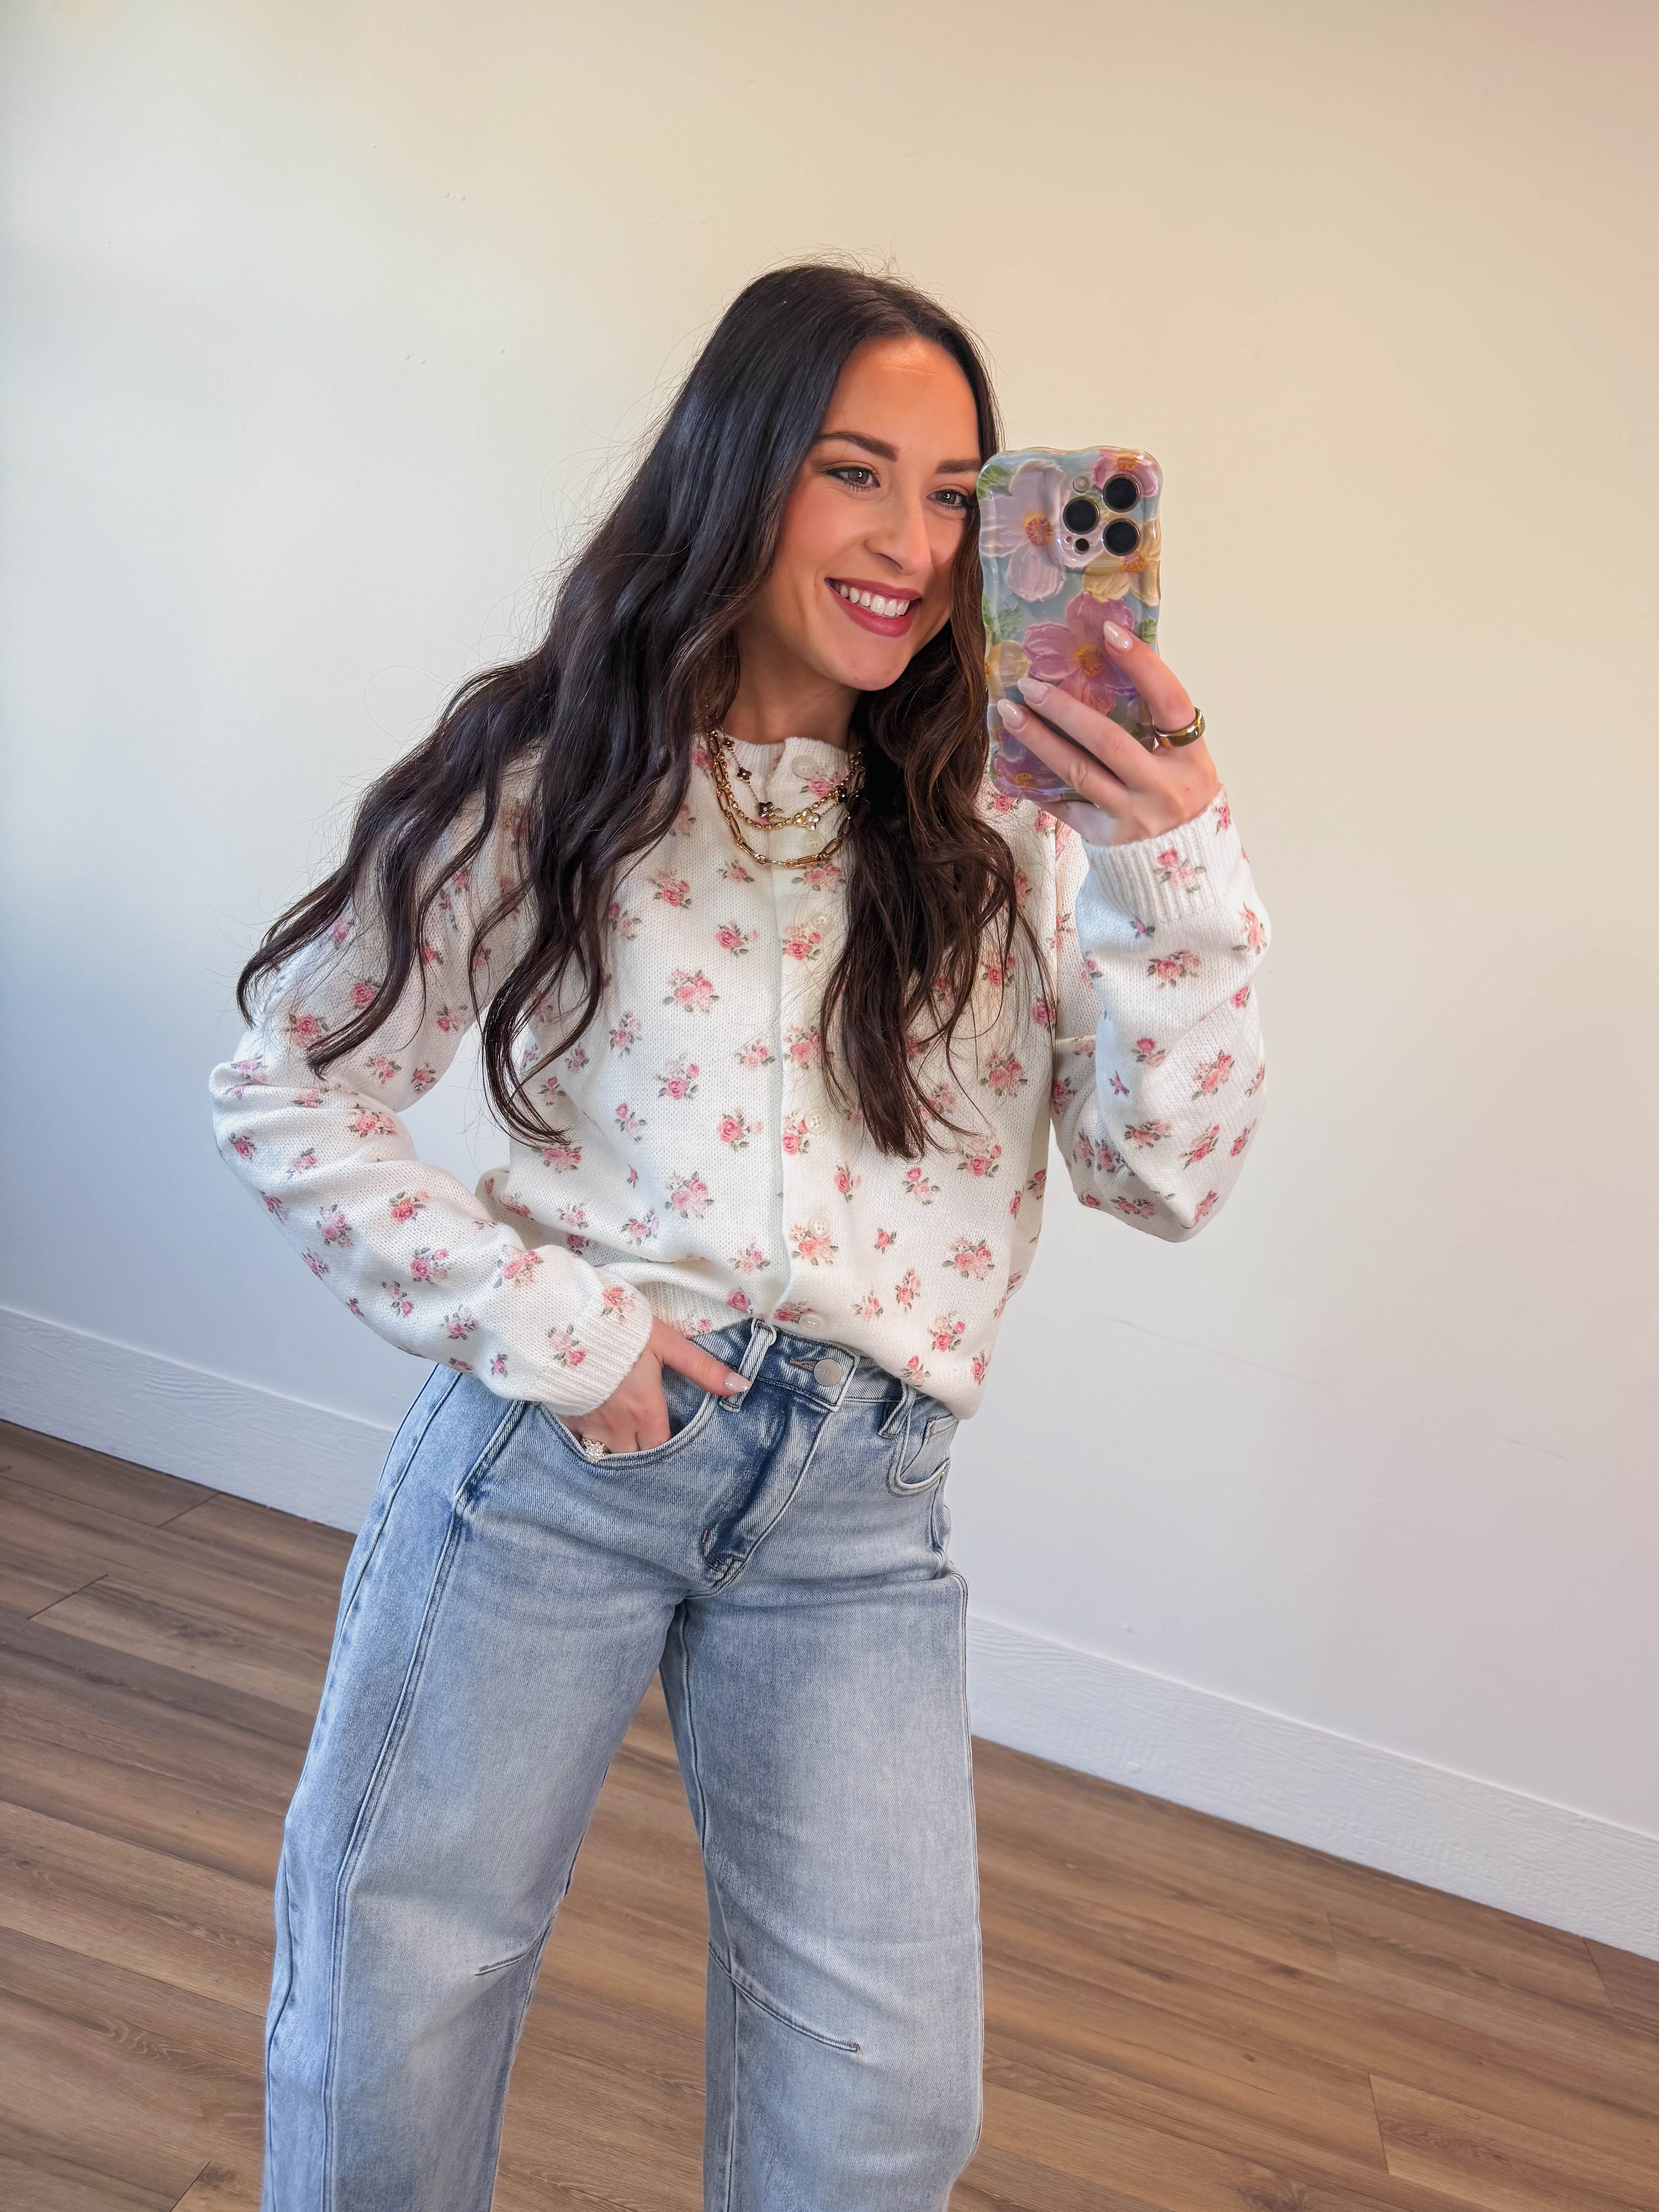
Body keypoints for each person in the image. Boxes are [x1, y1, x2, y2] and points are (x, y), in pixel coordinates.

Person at [210, 261, 1269, 2212]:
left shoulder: (1017, 822)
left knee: (885, 2101)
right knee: (403, 1980)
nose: (912, 547)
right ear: (738, 469)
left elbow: (1165, 1173)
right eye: (853, 473)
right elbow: (286, 1082)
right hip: (562, 1465)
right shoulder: (555, 770)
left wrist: (1176, 862)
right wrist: (563, 1328)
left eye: (956, 495)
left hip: (861, 1516)